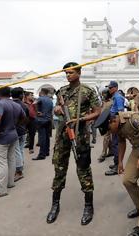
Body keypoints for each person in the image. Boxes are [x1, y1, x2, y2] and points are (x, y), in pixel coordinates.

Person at [46, 62, 101, 225]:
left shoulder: (87, 90)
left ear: (79, 72)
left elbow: (98, 112)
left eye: (70, 72)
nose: (68, 75)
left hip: (80, 135)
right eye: (66, 73)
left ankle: (89, 206)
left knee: (83, 169)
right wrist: (57, 109)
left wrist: (81, 119)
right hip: (62, 135)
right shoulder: (62, 91)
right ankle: (55, 205)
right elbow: (57, 106)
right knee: (59, 169)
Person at [104, 81, 125, 176]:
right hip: (113, 121)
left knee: (116, 144)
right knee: (114, 143)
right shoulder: (115, 96)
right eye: (109, 88)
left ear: (115, 88)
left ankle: (117, 166)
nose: (109, 89)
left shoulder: (117, 97)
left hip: (116, 122)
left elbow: (120, 111)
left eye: (110, 87)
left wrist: (118, 125)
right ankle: (116, 163)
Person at [11, 87, 29, 182]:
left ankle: (19, 170)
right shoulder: (24, 105)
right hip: (23, 130)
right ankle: (20, 165)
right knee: (20, 150)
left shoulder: (11, 105)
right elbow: (27, 118)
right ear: (21, 95)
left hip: (15, 131)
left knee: (17, 150)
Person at [32, 88, 53, 160]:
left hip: (41, 120)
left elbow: (34, 104)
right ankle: (47, 151)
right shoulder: (50, 100)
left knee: (42, 138)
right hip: (48, 119)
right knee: (47, 137)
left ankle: (41, 154)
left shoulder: (40, 98)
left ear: (41, 92)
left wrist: (37, 111)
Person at [98, 88, 113, 163]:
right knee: (108, 137)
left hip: (109, 121)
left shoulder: (112, 102)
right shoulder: (103, 102)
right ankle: (111, 150)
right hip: (103, 121)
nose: (103, 95)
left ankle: (103, 154)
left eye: (105, 94)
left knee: (106, 137)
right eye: (102, 94)